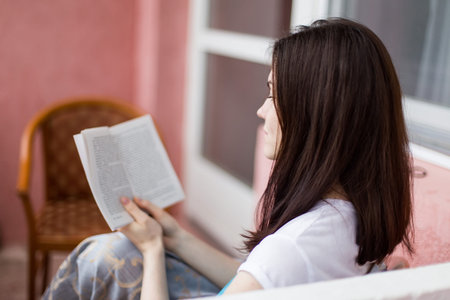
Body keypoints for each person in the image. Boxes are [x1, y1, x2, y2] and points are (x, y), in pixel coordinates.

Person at [43, 18, 413, 299]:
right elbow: (258, 279)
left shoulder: (295, 248)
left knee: (103, 256)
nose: (261, 111)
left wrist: (154, 248)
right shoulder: (346, 218)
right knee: (115, 251)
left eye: (273, 95)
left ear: (313, 115)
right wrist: (176, 238)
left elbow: (274, 267)